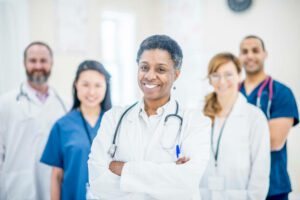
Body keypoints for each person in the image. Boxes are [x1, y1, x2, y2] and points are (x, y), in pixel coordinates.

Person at [88, 35, 211, 200]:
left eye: (161, 69)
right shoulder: (113, 118)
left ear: (176, 74)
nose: (150, 76)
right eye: (144, 67)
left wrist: (122, 169)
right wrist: (168, 174)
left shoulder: (195, 122)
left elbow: (186, 183)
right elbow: (98, 182)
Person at [0, 41, 68, 200]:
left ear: (51, 63)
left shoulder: (66, 104)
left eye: (43, 61)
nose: (38, 65)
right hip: (17, 188)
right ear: (24, 63)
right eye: (33, 61)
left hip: (53, 188)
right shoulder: (5, 103)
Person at [199, 52, 270, 199]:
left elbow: (260, 171)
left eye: (228, 75)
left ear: (239, 76)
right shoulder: (199, 115)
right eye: (216, 75)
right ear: (210, 79)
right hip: (203, 195)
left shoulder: (254, 118)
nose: (222, 81)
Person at [239, 35, 299, 200]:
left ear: (265, 54)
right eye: (245, 51)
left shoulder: (282, 93)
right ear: (239, 57)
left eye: (255, 50)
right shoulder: (232, 94)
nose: (250, 55)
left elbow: (274, 141)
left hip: (273, 187)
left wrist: (233, 138)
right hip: (237, 186)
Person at [40, 60, 112, 200]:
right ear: (76, 85)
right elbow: (56, 176)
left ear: (106, 87)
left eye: (98, 85)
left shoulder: (115, 123)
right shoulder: (62, 126)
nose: (91, 92)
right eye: (85, 84)